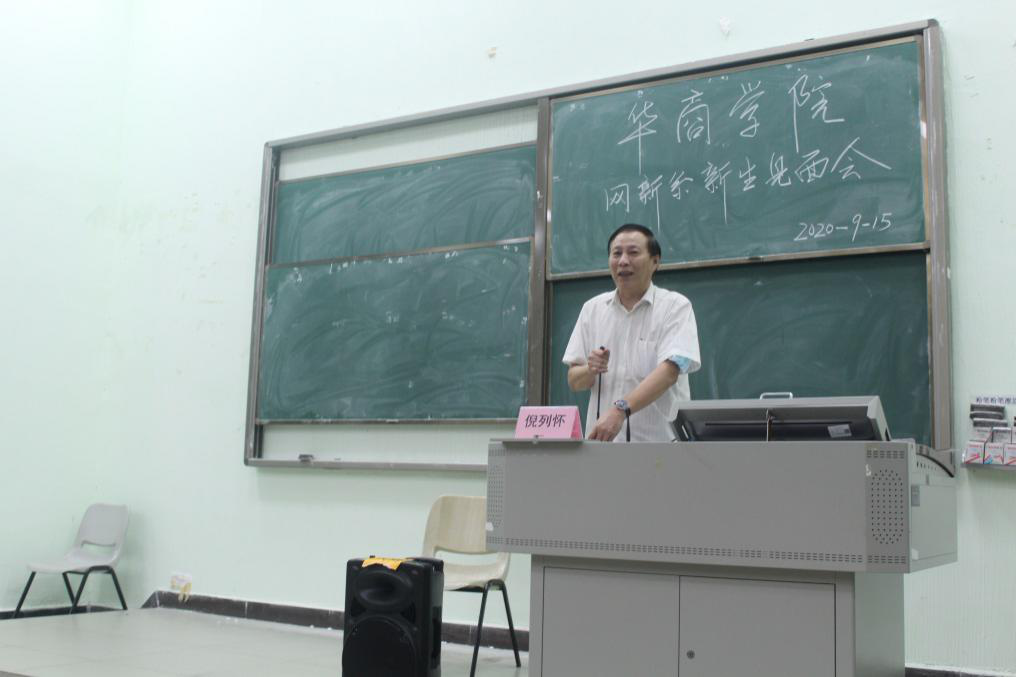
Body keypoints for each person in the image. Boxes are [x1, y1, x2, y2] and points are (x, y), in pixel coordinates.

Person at [562, 223, 700, 442]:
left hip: (660, 446)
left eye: (633, 252)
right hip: (603, 447)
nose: (623, 261)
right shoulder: (592, 309)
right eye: (616, 253)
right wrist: (590, 369)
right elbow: (574, 380)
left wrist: (620, 410)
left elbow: (669, 372)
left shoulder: (675, 307)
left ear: (655, 261)